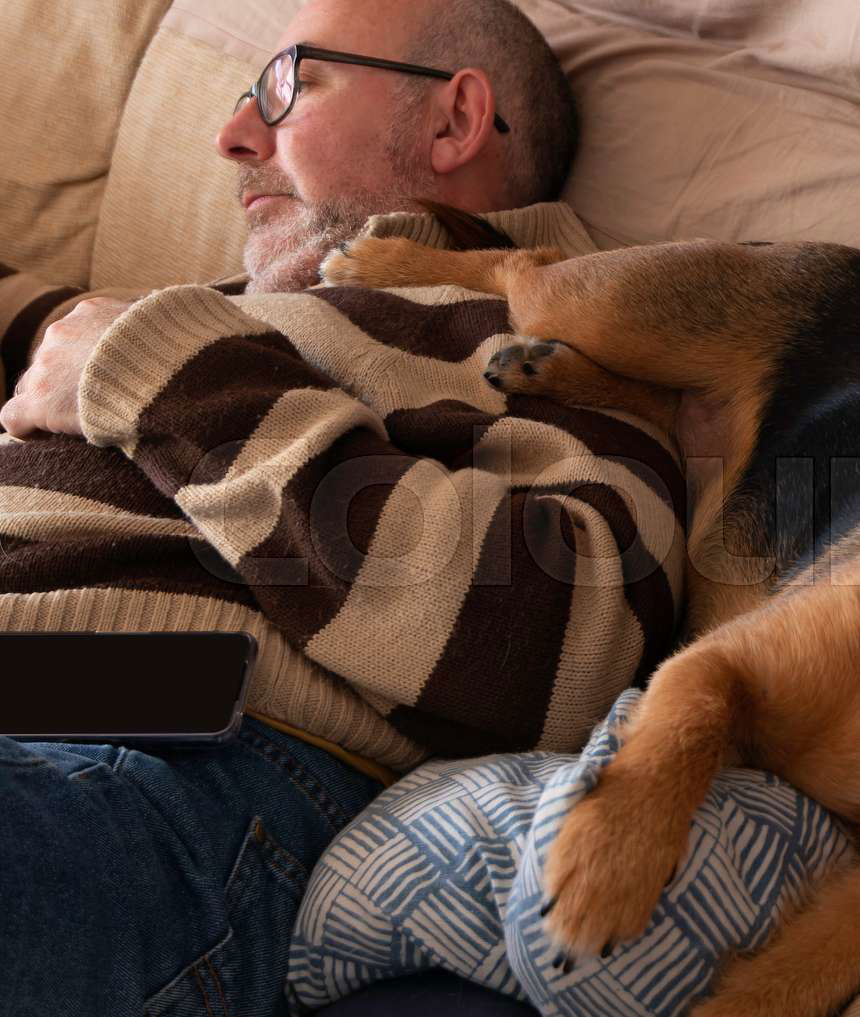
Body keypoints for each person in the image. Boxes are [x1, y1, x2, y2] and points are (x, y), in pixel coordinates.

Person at [0, 2, 685, 1015]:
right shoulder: (217, 314)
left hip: (171, 761)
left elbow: (571, 646)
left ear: (455, 123)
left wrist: (160, 371)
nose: (232, 136)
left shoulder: (547, 336)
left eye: (289, 85)